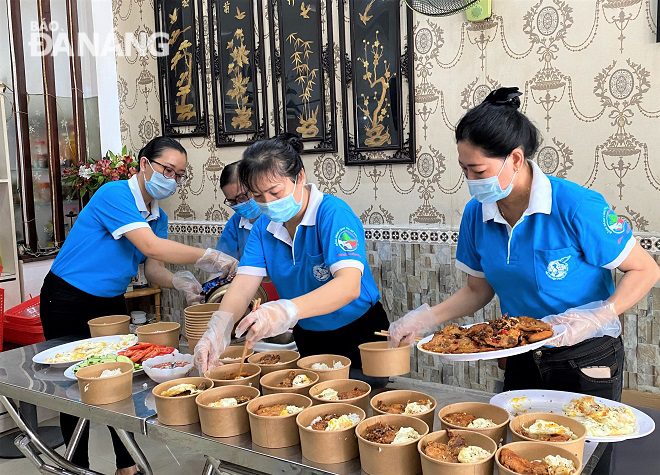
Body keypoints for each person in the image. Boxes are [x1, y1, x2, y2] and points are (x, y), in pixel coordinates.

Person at [387, 87, 660, 402]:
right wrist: (425, 318)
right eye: (464, 169)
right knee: (519, 442)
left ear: (515, 158)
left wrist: (598, 315)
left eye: (478, 171)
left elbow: (645, 269)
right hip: (521, 352)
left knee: (588, 445)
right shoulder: (477, 213)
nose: (470, 181)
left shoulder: (575, 205)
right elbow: (478, 290)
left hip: (587, 357)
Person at [41, 136, 237, 475]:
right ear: (144, 164)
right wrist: (210, 256)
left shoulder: (157, 216)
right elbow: (152, 246)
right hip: (68, 298)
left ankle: (126, 465)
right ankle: (76, 466)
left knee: (120, 381)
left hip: (110, 301)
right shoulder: (114, 194)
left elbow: (153, 266)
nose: (173, 180)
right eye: (168, 170)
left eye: (180, 175)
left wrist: (179, 282)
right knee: (75, 386)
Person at [194, 133, 389, 374]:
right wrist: (218, 329)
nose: (267, 203)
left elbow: (348, 286)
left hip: (358, 331)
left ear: (299, 177)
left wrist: (284, 310)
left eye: (275, 192)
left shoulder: (333, 214)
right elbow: (244, 285)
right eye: (258, 196)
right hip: (309, 334)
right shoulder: (262, 227)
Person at [216, 160, 261, 260]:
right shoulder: (236, 222)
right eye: (232, 201)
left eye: (241, 197)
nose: (238, 205)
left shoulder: (278, 217)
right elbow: (224, 259)